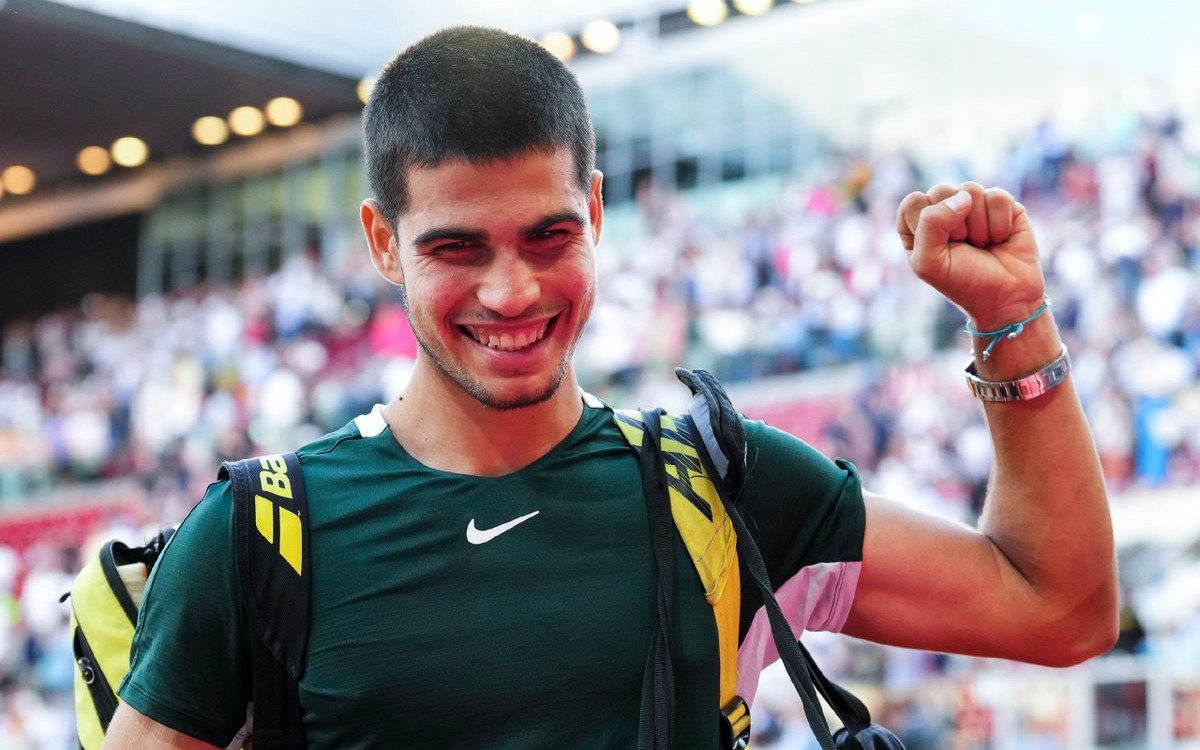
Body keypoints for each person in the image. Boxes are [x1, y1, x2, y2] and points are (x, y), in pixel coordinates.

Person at [102, 25, 1117, 750]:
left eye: (548, 236)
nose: (512, 290)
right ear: (382, 242)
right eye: (457, 246)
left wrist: (1012, 320)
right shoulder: (256, 535)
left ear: (596, 209)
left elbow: (1057, 609)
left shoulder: (723, 490)